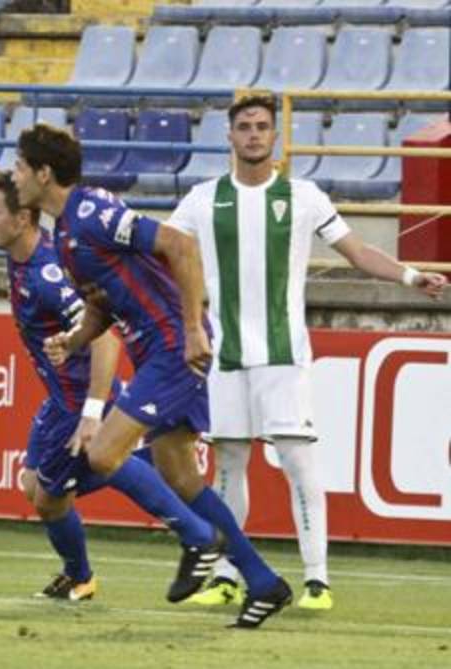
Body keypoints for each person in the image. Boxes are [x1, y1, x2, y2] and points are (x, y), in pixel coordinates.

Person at [0, 83, 223, 604]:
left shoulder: (49, 273)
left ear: (23, 214)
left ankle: (187, 538)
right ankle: (99, 559)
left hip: (78, 402)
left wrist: (94, 411)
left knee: (61, 490)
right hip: (60, 400)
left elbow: (106, 341)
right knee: (38, 485)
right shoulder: (20, 234)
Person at [168, 94, 448, 611]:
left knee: (298, 461)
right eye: (245, 127)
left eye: (262, 127)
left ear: (275, 136)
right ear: (229, 137)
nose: (253, 134)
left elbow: (358, 250)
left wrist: (411, 276)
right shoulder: (202, 199)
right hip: (225, 355)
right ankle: (230, 572)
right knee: (229, 465)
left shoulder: (304, 197)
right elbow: (165, 248)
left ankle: (317, 579)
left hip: (283, 353)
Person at [18, 122, 292, 629]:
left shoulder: (92, 214)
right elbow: (103, 303)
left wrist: (192, 328)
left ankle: (198, 539)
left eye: (18, 168)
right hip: (155, 351)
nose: (13, 178)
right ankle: (263, 582)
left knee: (103, 451)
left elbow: (180, 245)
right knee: (182, 476)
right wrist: (75, 339)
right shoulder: (64, 234)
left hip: (173, 345)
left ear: (43, 173)